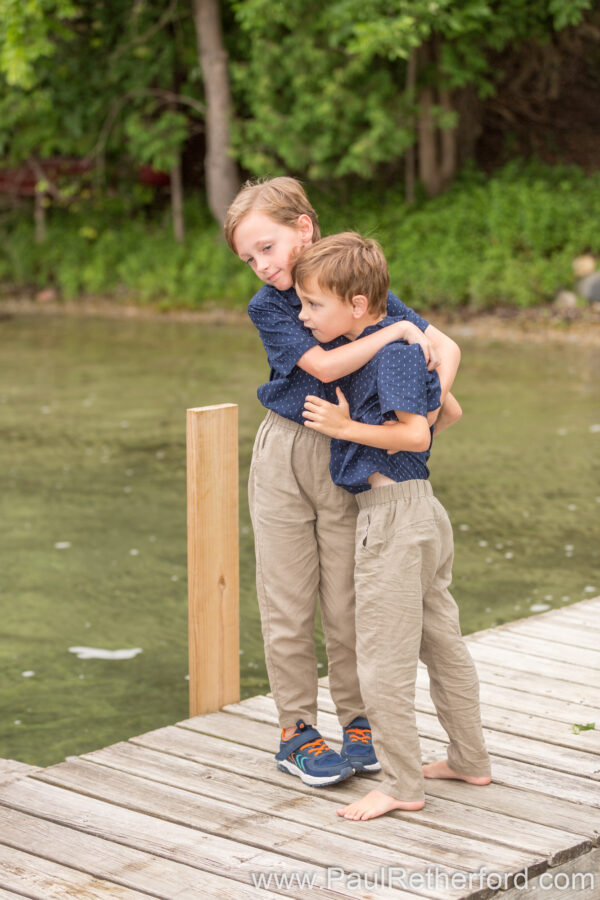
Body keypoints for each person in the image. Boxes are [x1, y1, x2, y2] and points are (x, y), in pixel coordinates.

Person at [224, 177, 462, 787]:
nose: (262, 266)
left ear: (304, 227)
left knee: (347, 599)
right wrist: (398, 335)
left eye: (268, 247)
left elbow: (447, 347)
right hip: (284, 452)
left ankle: (358, 720)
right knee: (287, 596)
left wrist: (428, 415)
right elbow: (325, 365)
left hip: (347, 451)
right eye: (250, 259)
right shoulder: (269, 305)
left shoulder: (354, 286)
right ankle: (296, 730)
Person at [295, 232, 491, 818]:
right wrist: (396, 435)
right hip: (422, 507)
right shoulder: (394, 352)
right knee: (441, 641)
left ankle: (403, 785)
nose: (302, 316)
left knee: (379, 657)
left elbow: (418, 433)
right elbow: (446, 411)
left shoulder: (392, 354)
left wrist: (345, 428)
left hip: (392, 518)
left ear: (357, 305)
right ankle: (470, 760)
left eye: (313, 305)